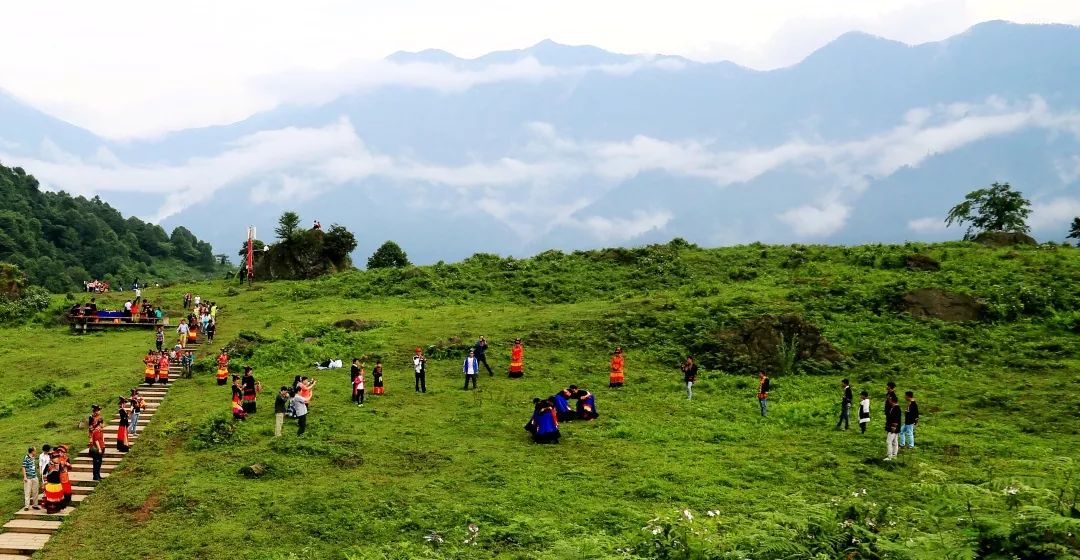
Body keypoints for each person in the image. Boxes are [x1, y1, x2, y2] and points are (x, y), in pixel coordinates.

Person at [88, 406, 105, 479]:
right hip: (95, 441)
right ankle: (96, 475)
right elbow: (90, 427)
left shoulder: (99, 419)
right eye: (98, 410)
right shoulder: (92, 418)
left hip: (99, 439)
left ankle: (97, 475)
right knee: (96, 461)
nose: (99, 412)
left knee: (99, 461)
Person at [884, 394, 902, 461]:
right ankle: (894, 455)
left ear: (892, 400)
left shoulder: (896, 408)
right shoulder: (893, 407)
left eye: (889, 399)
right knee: (895, 442)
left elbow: (896, 419)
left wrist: (893, 428)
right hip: (894, 428)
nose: (888, 401)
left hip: (893, 428)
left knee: (889, 441)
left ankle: (889, 456)